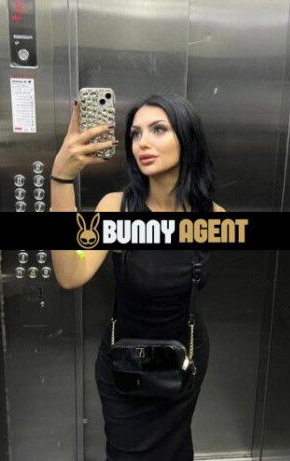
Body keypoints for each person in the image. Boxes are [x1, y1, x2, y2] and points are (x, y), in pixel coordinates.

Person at [50, 93, 225, 460]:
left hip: (183, 362)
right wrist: (61, 180)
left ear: (187, 138)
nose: (142, 142)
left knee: (175, 451)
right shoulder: (117, 208)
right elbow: (70, 273)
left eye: (158, 129)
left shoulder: (213, 216)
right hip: (125, 365)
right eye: (135, 133)